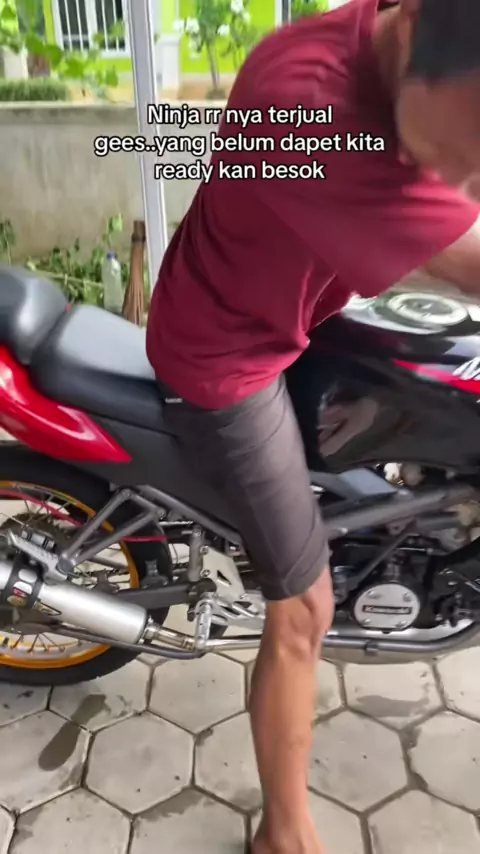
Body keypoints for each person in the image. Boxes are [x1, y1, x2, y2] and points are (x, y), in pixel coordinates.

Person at [147, 1, 480, 852]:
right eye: (452, 153)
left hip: (290, 313)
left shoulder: (399, 61)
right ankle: (283, 834)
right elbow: (466, 262)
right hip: (226, 352)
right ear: (414, 26)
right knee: (304, 610)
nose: (456, 175)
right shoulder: (305, 99)